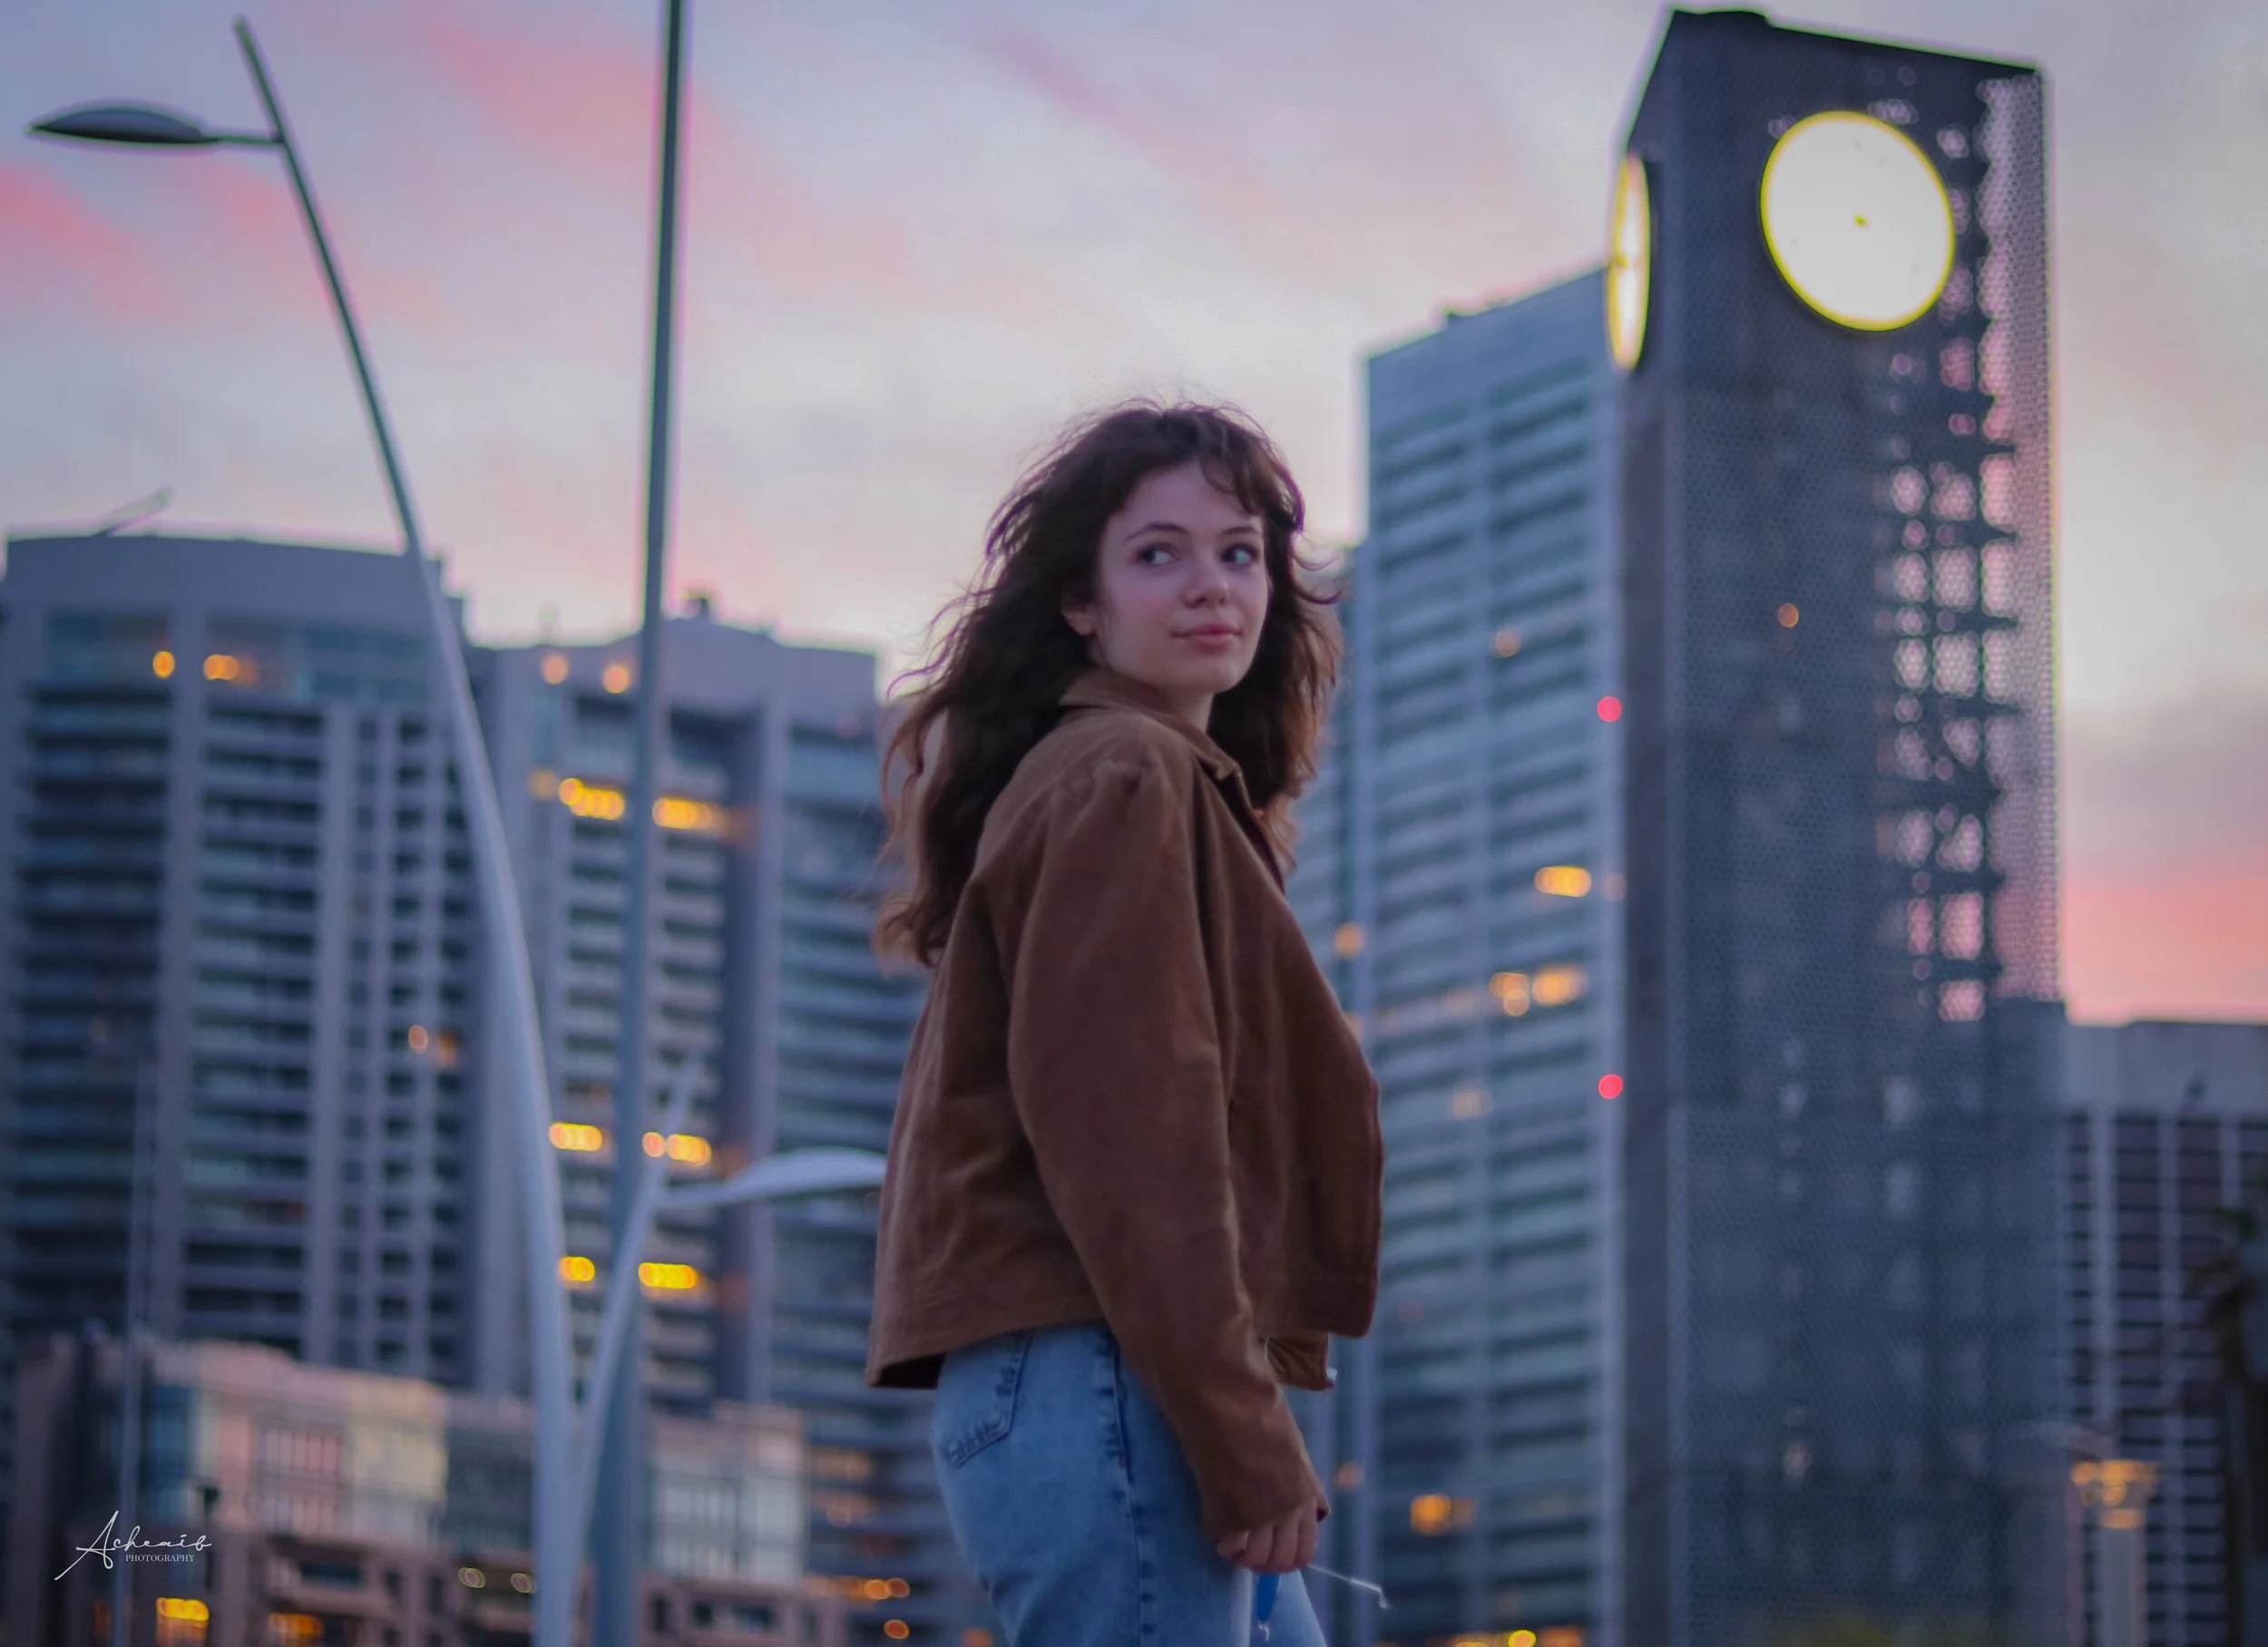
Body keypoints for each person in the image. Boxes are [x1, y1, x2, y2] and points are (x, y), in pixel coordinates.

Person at [865, 399, 1384, 1646]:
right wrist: (1240, 1432)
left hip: (1111, 1373)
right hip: (1103, 1374)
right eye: (1158, 553)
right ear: (1080, 604)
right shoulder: (1122, 774)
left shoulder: (1142, 780)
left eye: (1239, 552)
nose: (1211, 585)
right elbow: (1135, 1143)